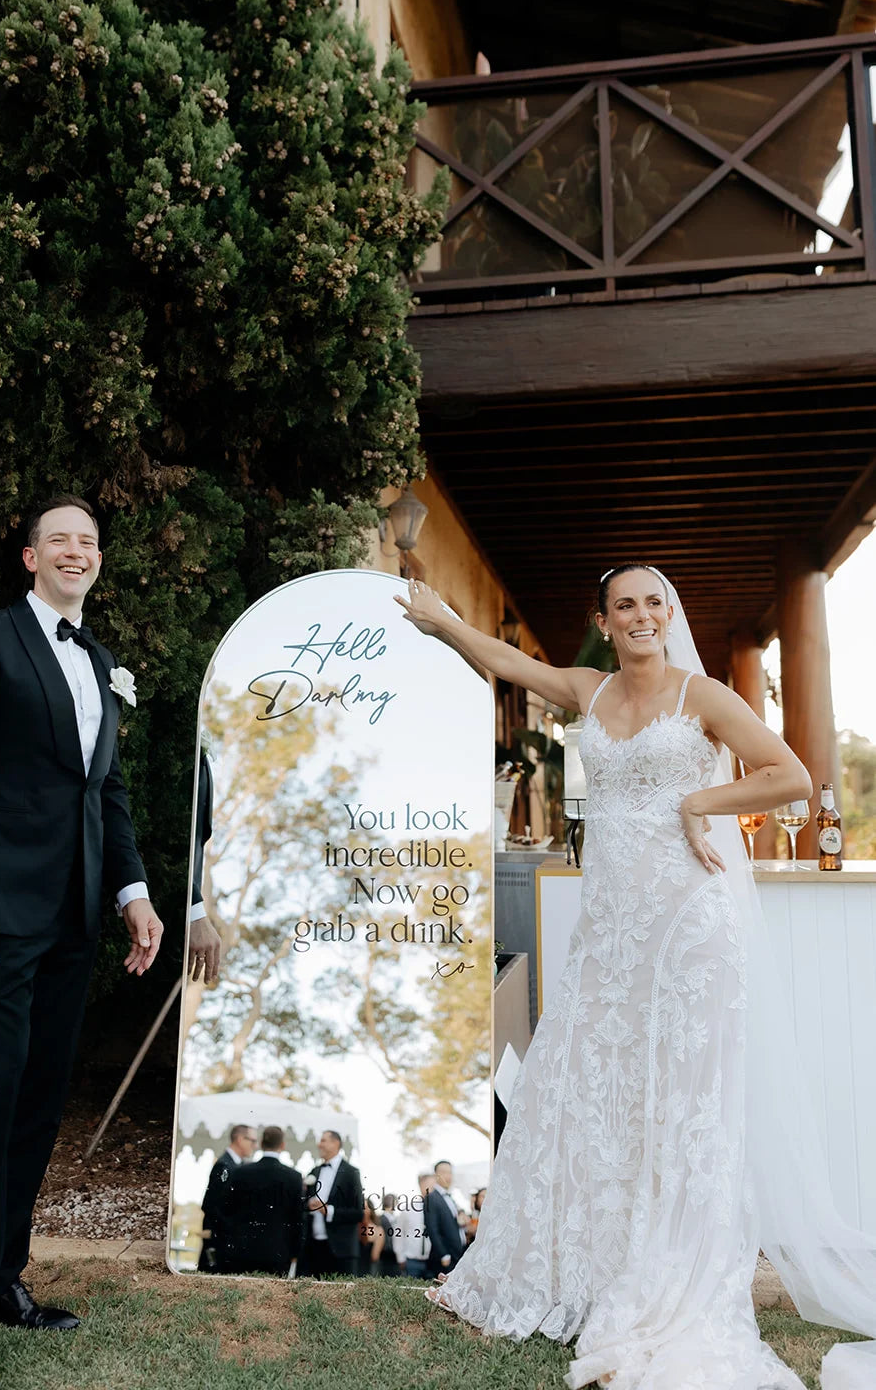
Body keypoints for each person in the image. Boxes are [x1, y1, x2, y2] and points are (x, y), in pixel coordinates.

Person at [397, 565, 876, 1390]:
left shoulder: (705, 696)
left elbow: (790, 773)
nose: (642, 615)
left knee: (681, 1108)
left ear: (667, 615)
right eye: (627, 605)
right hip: (611, 936)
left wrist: (699, 803)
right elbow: (508, 665)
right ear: (605, 621)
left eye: (654, 603)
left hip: (691, 929)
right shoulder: (589, 690)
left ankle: (669, 1282)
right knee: (592, 1094)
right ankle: (578, 1270)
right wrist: (443, 622)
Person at [0, 496, 221, 1390]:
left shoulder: (98, 660)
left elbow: (106, 792)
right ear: (29, 558)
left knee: (38, 1107)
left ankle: (4, 1277)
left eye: (88, 541)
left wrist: (133, 893)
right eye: (59, 539)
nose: (76, 551)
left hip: (71, 928)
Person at [224, 1126, 305, 1276]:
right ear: (282, 1145)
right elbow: (298, 1218)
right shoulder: (294, 1177)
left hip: (242, 1250)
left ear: (261, 1143)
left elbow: (229, 1209)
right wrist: (295, 1252)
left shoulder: (241, 1172)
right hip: (278, 1252)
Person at [300, 1128, 364, 1277]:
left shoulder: (351, 1173)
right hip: (313, 1248)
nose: (319, 1145)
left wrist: (329, 1210)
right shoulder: (314, 1171)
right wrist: (308, 1204)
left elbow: (358, 1213)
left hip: (340, 1250)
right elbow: (302, 1203)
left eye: (323, 1140)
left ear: (336, 1143)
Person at [198, 1123, 256, 1272]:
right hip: (220, 1239)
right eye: (252, 1141)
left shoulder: (237, 1165)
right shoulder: (225, 1165)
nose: (255, 1146)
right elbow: (210, 1204)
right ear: (240, 1139)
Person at [424, 1160, 467, 1281]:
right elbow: (432, 1229)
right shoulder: (431, 1198)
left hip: (457, 1255)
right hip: (445, 1257)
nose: (448, 1176)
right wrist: (444, 1255)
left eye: (450, 1173)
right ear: (436, 1175)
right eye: (443, 1172)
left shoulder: (451, 1197)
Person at [394, 1172, 434, 1279]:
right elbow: (398, 1233)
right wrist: (400, 1257)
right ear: (420, 1185)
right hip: (411, 1262)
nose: (430, 1189)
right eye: (428, 1186)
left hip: (433, 1262)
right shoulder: (408, 1209)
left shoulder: (438, 1210)